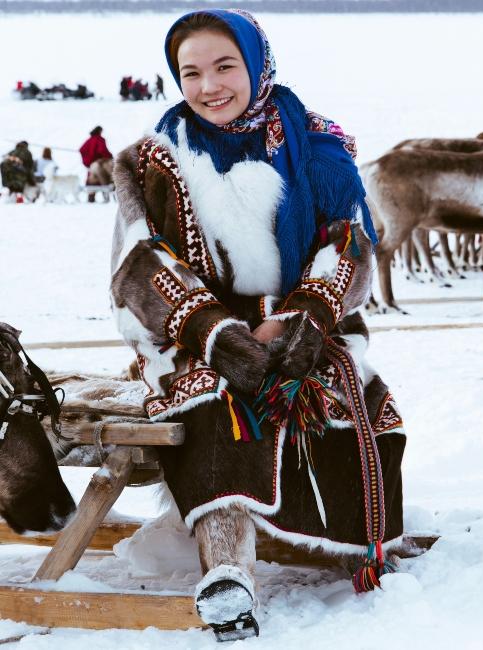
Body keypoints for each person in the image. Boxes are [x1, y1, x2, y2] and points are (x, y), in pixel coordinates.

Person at [111, 10, 406, 641]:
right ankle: (229, 574)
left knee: (351, 401)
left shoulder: (321, 148)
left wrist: (307, 317)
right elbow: (140, 262)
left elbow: (349, 242)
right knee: (217, 404)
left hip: (309, 327)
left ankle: (354, 539)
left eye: (225, 66)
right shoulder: (149, 161)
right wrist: (216, 331)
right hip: (195, 337)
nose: (209, 85)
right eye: (190, 73)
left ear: (257, 65)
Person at [79, 126, 112, 202]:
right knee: (104, 179)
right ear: (100, 131)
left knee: (92, 179)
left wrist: (88, 160)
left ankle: (91, 198)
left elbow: (82, 149)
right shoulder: (100, 139)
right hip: (99, 165)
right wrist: (109, 156)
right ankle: (106, 198)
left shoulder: (89, 140)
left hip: (92, 166)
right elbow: (102, 150)